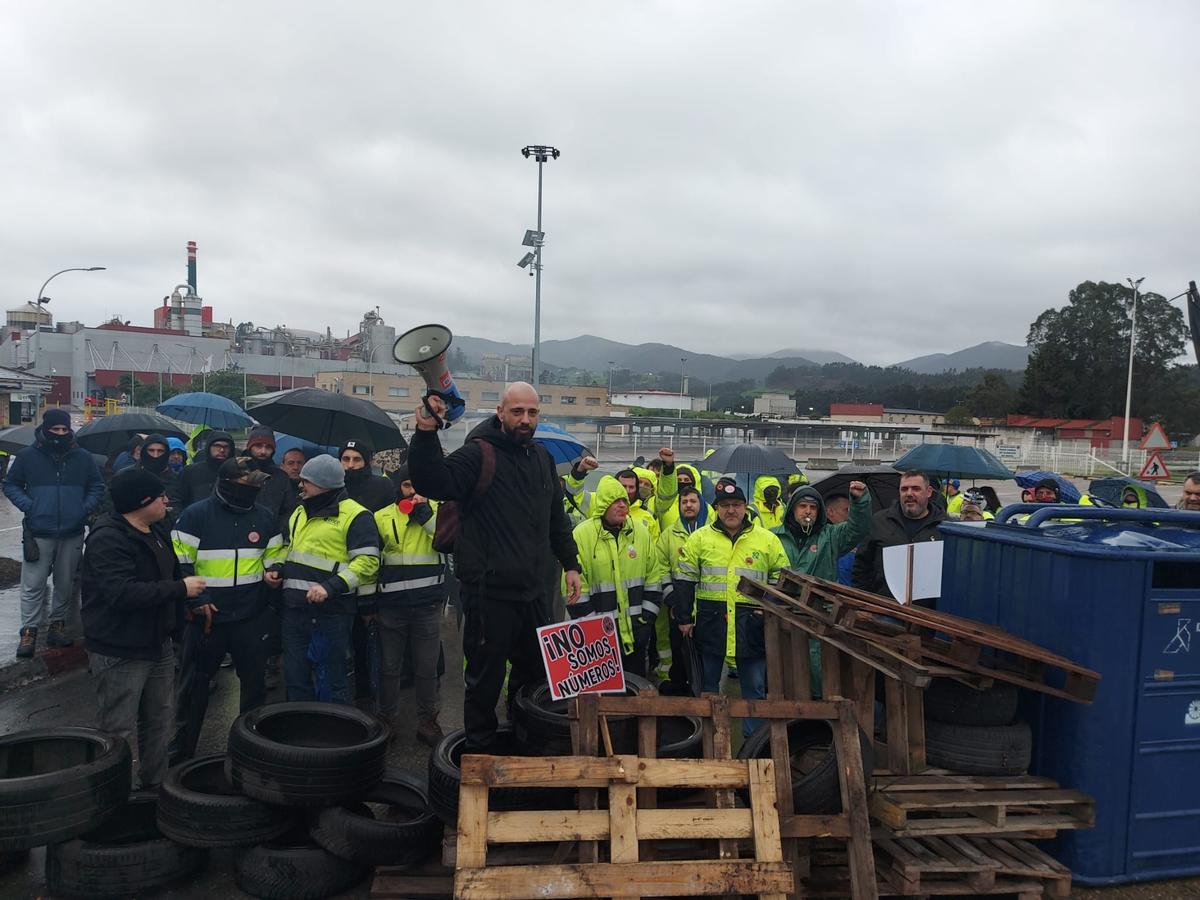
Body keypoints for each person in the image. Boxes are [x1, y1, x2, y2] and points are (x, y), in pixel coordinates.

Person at [409, 382, 581, 753]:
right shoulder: (478, 454)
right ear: (500, 412)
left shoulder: (541, 458)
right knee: (484, 684)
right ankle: (480, 760)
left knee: (534, 678)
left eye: (532, 413)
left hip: (534, 593)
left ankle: (525, 745)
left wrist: (570, 563)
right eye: (517, 411)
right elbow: (431, 480)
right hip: (489, 597)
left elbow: (556, 519)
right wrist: (425, 431)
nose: (525, 419)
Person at [81, 468, 205, 789]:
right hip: (120, 648)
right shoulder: (108, 537)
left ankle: (155, 785)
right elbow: (121, 593)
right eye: (159, 495)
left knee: (159, 721)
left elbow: (169, 575)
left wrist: (185, 610)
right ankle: (110, 794)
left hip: (157, 643)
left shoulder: (156, 529)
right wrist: (181, 589)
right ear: (141, 501)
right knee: (116, 729)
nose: (167, 499)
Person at [170, 458, 285, 759]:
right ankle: (180, 758)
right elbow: (179, 564)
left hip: (250, 617)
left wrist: (274, 569)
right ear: (229, 484)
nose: (257, 489)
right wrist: (197, 601)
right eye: (251, 483)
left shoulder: (265, 517)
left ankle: (250, 754)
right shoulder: (195, 516)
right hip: (206, 619)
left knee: (254, 692)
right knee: (193, 692)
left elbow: (275, 551)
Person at [672, 483, 789, 735]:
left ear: (746, 507)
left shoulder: (767, 539)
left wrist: (769, 610)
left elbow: (782, 580)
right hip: (710, 624)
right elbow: (684, 579)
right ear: (715, 509)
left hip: (752, 625)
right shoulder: (700, 538)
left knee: (755, 689)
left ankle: (753, 743)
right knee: (708, 687)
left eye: (736, 505)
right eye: (725, 506)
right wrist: (684, 617)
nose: (731, 510)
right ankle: (708, 738)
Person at [3, 409, 105, 658]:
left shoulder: (83, 458)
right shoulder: (28, 457)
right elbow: (11, 484)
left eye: (64, 429)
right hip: (39, 532)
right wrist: (30, 506)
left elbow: (97, 486)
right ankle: (29, 631)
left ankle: (57, 625)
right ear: (46, 430)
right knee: (33, 584)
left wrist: (84, 508)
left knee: (64, 582)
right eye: (55, 430)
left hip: (72, 531)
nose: (60, 434)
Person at [279, 455, 380, 704]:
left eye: (306, 481)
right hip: (294, 610)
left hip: (331, 613)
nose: (300, 485)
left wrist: (330, 587)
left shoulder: (357, 516)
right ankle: (300, 736)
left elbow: (368, 563)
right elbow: (290, 548)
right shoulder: (300, 511)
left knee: (332, 681)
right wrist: (277, 568)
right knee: (295, 678)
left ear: (324, 485)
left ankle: (333, 737)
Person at [369, 465, 446, 745]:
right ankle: (387, 719)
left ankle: (428, 721)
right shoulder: (381, 517)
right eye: (406, 486)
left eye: (417, 486)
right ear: (397, 488)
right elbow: (372, 561)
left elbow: (446, 541)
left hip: (427, 606)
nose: (412, 492)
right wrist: (369, 603)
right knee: (390, 667)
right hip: (391, 606)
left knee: (426, 669)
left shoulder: (438, 511)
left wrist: (423, 514)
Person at [568, 475, 665, 678]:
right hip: (598, 642)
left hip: (636, 635)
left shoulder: (641, 533)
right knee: (603, 699)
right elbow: (574, 590)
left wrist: (645, 621)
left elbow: (654, 579)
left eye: (625, 501)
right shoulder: (581, 535)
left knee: (634, 691)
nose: (623, 505)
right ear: (603, 504)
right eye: (616, 501)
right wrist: (595, 631)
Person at [852, 470, 947, 599]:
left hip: (928, 612)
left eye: (916, 489)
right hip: (884, 607)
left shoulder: (946, 527)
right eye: (904, 489)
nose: (909, 493)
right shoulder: (879, 521)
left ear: (929, 492)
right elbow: (861, 566)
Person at [656, 484, 708, 694]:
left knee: (704, 651)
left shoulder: (711, 532)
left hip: (706, 605)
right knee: (678, 650)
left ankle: (702, 691)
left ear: (700, 505)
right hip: (678, 606)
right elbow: (660, 568)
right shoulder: (669, 535)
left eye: (692, 501)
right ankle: (678, 688)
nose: (688, 505)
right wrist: (672, 600)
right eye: (684, 502)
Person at [240, 426, 299, 535]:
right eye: (258, 446)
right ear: (250, 447)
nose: (263, 451)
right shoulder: (235, 472)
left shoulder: (281, 477)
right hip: (239, 537)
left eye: (268, 447)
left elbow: (288, 510)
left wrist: (278, 531)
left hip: (271, 537)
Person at [178, 431, 235, 509]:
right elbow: (180, 500)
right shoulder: (190, 472)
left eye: (226, 447)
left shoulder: (236, 473)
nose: (221, 450)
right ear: (209, 447)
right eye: (217, 445)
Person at [136, 434, 184, 523]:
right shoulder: (130, 476)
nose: (155, 455)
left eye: (160, 451)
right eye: (151, 450)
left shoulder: (177, 479)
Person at [340, 440, 396, 512]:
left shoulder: (382, 486)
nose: (350, 465)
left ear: (365, 462)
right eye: (346, 459)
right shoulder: (331, 486)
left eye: (357, 459)